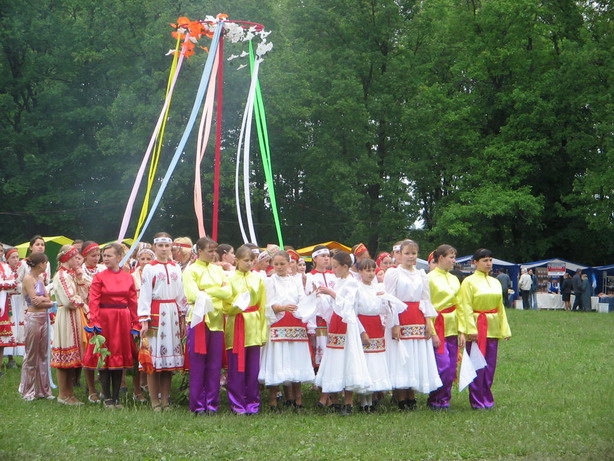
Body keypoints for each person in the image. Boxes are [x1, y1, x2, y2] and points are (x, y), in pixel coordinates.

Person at [384, 239, 441, 410]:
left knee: (415, 356)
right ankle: (401, 396)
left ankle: (411, 394)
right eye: (407, 253)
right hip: (401, 316)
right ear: (399, 255)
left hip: (417, 317)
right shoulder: (394, 273)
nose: (410, 256)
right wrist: (395, 323)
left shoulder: (421, 274)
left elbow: (425, 300)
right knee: (402, 356)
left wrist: (429, 324)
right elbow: (390, 300)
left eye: (413, 253)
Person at [82, 243, 140, 409]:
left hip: (122, 319)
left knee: (119, 356)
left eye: (109, 255)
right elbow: (93, 301)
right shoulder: (99, 277)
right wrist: (95, 321)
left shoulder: (128, 277)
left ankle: (116, 397)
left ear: (119, 257)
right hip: (105, 319)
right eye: (104, 256)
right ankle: (107, 397)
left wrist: (135, 323)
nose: (105, 259)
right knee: (105, 356)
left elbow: (133, 302)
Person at [314, 251, 372, 415]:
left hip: (347, 325)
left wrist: (331, 292)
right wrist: (320, 295)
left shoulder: (352, 283)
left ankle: (348, 402)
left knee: (348, 359)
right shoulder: (338, 282)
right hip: (335, 323)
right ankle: (335, 401)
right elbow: (333, 304)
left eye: (335, 267)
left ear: (345, 266)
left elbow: (348, 306)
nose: (333, 270)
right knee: (335, 360)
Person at [182, 237, 232, 415]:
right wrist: (215, 292)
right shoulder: (191, 271)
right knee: (198, 364)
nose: (213, 254)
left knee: (214, 365)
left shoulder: (218, 270)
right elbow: (193, 295)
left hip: (217, 321)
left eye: (214, 251)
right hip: (199, 321)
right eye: (209, 251)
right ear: (199, 251)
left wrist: (207, 291)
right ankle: (197, 404)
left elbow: (228, 292)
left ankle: (212, 404)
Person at [260, 251, 315, 412]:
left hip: (295, 323)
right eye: (275, 264)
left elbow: (301, 298)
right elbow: (267, 304)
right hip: (278, 322)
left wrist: (309, 300)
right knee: (277, 359)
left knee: (295, 359)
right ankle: (273, 399)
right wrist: (282, 307)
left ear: (289, 264)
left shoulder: (296, 280)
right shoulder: (269, 281)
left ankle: (297, 399)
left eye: (282, 264)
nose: (278, 267)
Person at [138, 233, 187, 411]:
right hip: (156, 314)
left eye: (167, 246)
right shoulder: (150, 268)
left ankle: (166, 399)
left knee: (168, 363)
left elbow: (181, 293)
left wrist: (182, 314)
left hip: (172, 314)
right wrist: (144, 319)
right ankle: (154, 400)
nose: (164, 249)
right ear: (155, 247)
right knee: (153, 360)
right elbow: (144, 294)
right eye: (161, 246)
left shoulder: (175, 267)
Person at [458, 248, 511, 410]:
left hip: (492, 327)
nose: (489, 264)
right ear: (475, 263)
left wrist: (504, 329)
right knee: (477, 364)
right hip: (477, 327)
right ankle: (476, 399)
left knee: (490, 366)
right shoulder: (468, 282)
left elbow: (500, 307)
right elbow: (464, 306)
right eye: (485, 261)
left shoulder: (495, 282)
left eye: (490, 260)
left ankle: (487, 397)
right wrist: (470, 329)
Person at [223, 245, 267, 414]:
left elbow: (262, 306)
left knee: (252, 368)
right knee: (236, 367)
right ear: (237, 260)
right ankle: (237, 403)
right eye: (245, 260)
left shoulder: (258, 279)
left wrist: (263, 332)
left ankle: (253, 402)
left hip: (254, 325)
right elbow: (225, 304)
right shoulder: (229, 279)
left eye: (251, 261)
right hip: (236, 324)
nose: (248, 264)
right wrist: (235, 308)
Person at [355, 258, 397, 412]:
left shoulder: (378, 288)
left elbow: (386, 308)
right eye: (367, 270)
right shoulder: (357, 288)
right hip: (364, 324)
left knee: (375, 360)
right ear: (360, 272)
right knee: (365, 360)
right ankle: (362, 399)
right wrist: (362, 331)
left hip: (376, 325)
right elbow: (353, 312)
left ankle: (372, 398)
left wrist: (385, 299)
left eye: (373, 270)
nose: (371, 274)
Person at [427, 244, 465, 410]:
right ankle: (435, 398)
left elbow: (461, 305)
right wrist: (432, 331)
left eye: (454, 257)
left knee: (451, 365)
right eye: (450, 257)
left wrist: (462, 330)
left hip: (453, 325)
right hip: (438, 325)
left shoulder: (454, 279)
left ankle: (445, 399)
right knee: (442, 365)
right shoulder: (429, 278)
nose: (453, 261)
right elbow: (426, 306)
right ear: (440, 258)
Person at [52, 245, 88, 405]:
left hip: (74, 316)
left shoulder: (71, 275)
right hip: (66, 316)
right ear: (68, 259)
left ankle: (69, 393)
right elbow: (69, 300)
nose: (78, 261)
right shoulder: (61, 276)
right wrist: (81, 303)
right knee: (65, 355)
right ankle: (63, 394)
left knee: (71, 357)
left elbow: (84, 293)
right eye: (75, 258)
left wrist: (80, 279)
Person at [19, 252, 54, 401]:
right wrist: (47, 302)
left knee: (44, 354)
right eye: (45, 263)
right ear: (40, 264)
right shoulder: (28, 278)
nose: (46, 265)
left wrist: (46, 301)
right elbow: (34, 301)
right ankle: (28, 389)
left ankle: (43, 390)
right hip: (33, 318)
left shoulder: (39, 278)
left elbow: (47, 298)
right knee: (32, 354)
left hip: (43, 317)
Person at [0, 250, 20, 373]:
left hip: (2, 304)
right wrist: (4, 284)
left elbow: (13, 282)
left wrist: (3, 284)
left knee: (1, 339)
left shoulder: (5, 267)